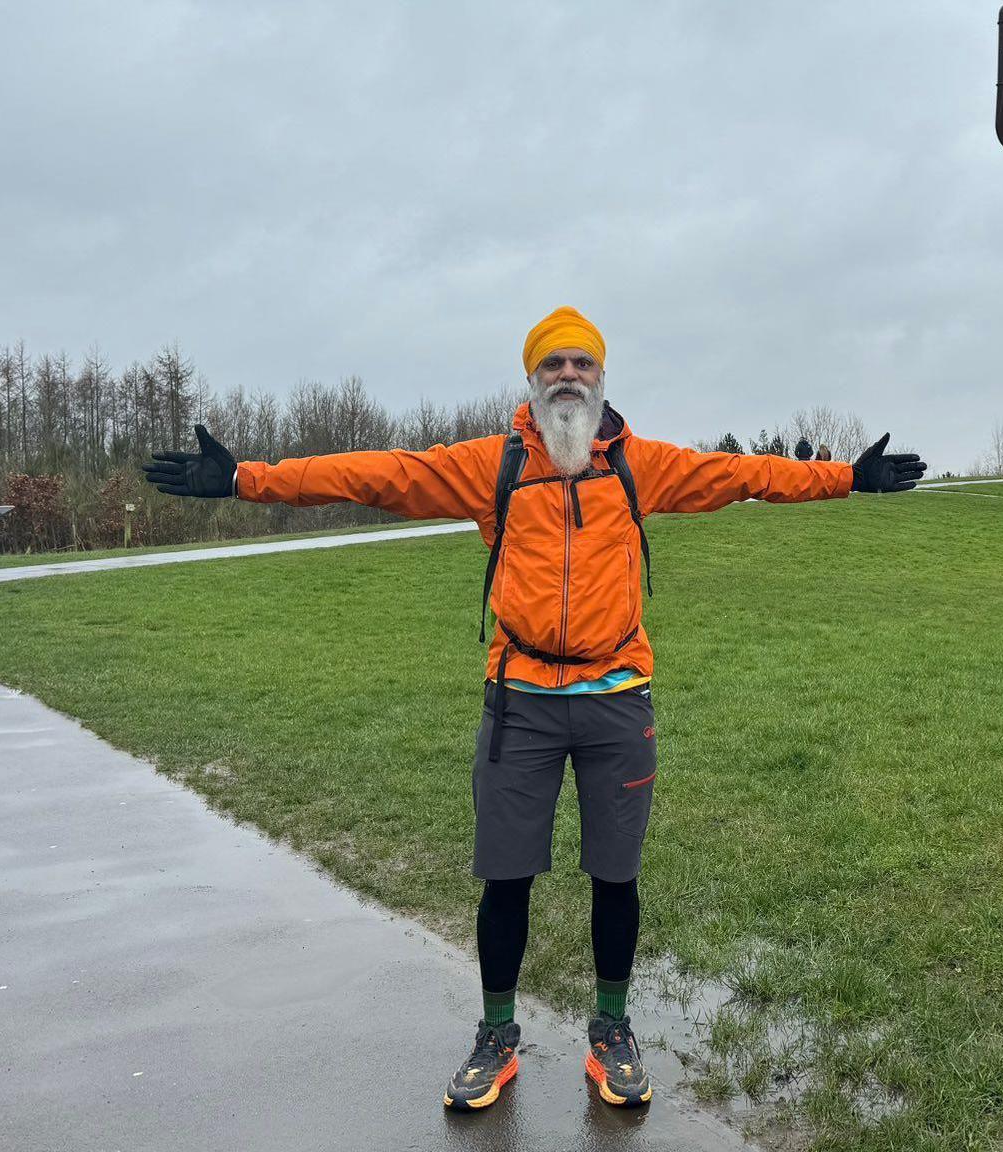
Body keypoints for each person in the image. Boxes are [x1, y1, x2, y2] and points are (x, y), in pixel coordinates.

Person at [142, 306, 926, 1113]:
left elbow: (748, 476)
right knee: (505, 878)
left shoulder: (640, 466)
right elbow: (375, 474)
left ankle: (612, 1031)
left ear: (601, 378)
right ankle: (495, 1036)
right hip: (520, 702)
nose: (568, 377)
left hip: (617, 699)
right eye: (553, 365)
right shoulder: (494, 466)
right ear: (531, 379)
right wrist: (244, 479)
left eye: (582, 364)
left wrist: (849, 477)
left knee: (615, 877)